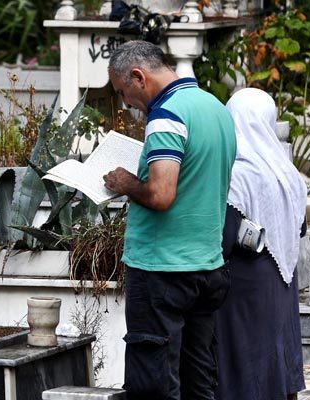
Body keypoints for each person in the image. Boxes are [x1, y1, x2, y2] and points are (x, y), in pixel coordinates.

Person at [103, 40, 236, 400]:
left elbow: (161, 195)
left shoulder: (167, 115)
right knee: (199, 381)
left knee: (155, 384)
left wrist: (125, 182)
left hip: (162, 269)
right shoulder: (215, 108)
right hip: (207, 266)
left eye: (123, 92)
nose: (126, 103)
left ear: (137, 77)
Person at [215, 88, 307, 400]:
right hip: (281, 279)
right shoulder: (286, 170)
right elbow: (301, 227)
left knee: (244, 363)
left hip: (244, 283)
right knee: (273, 353)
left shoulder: (236, 171)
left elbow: (225, 239)